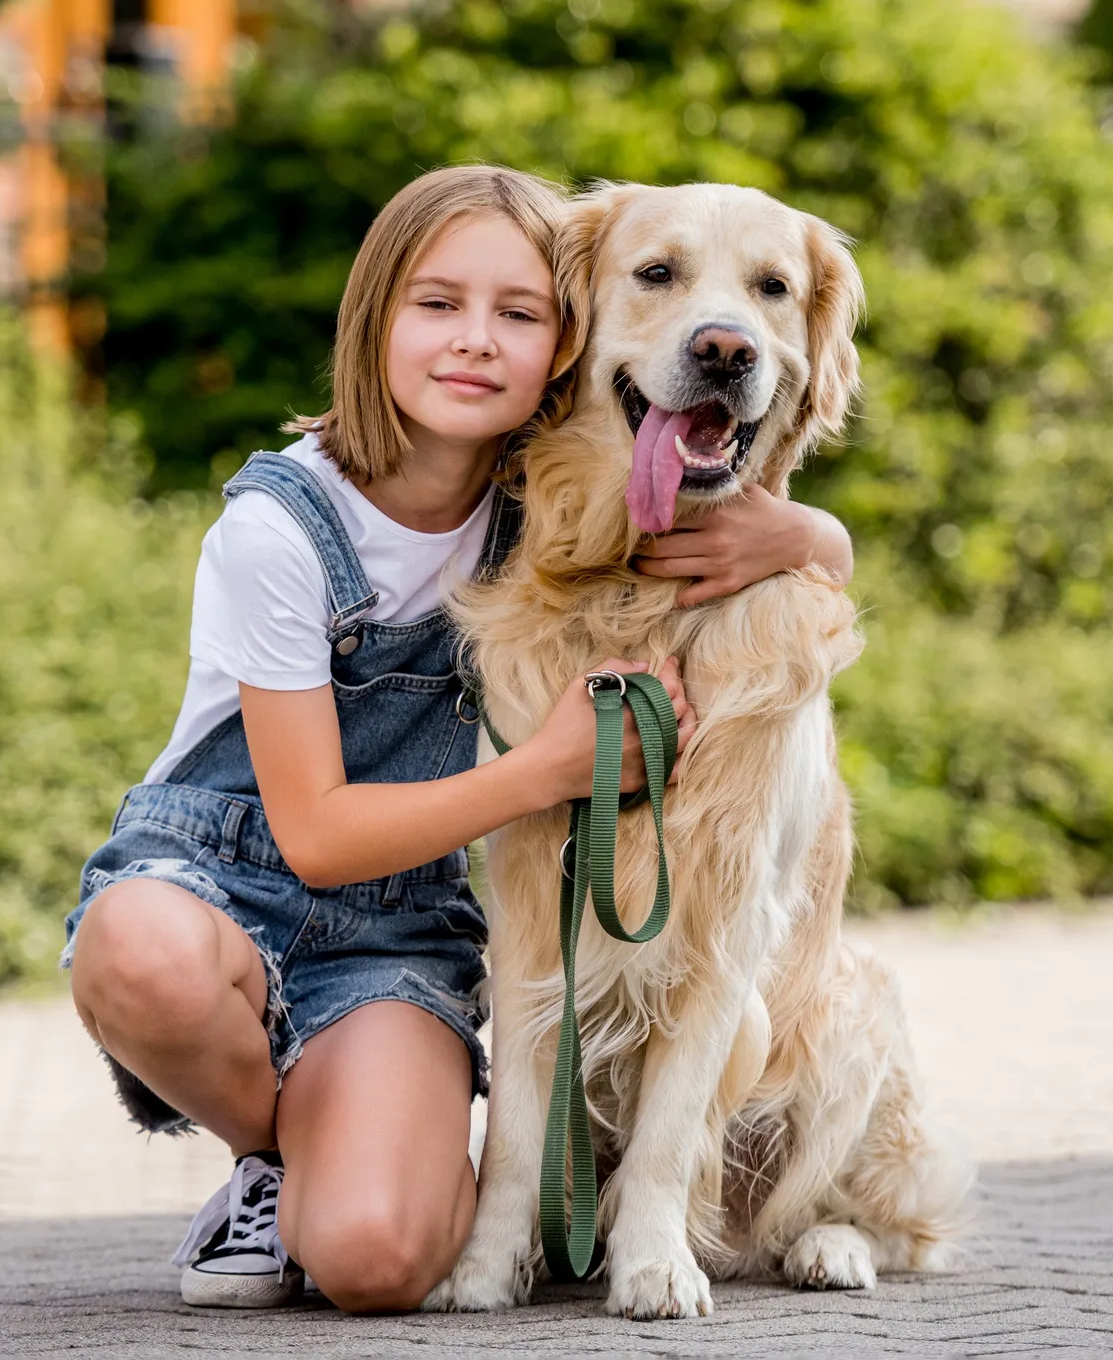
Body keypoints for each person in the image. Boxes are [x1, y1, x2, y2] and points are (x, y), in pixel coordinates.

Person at [62, 165, 855, 1314]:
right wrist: (543, 770)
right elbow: (319, 832)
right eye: (435, 306)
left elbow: (689, 498)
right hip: (230, 888)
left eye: (518, 314)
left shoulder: (549, 505)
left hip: (391, 943)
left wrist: (810, 536)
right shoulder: (280, 531)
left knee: (378, 1262)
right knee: (138, 950)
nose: (475, 341)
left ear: (564, 334)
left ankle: (342, 1158)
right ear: (371, 320)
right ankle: (274, 1154)